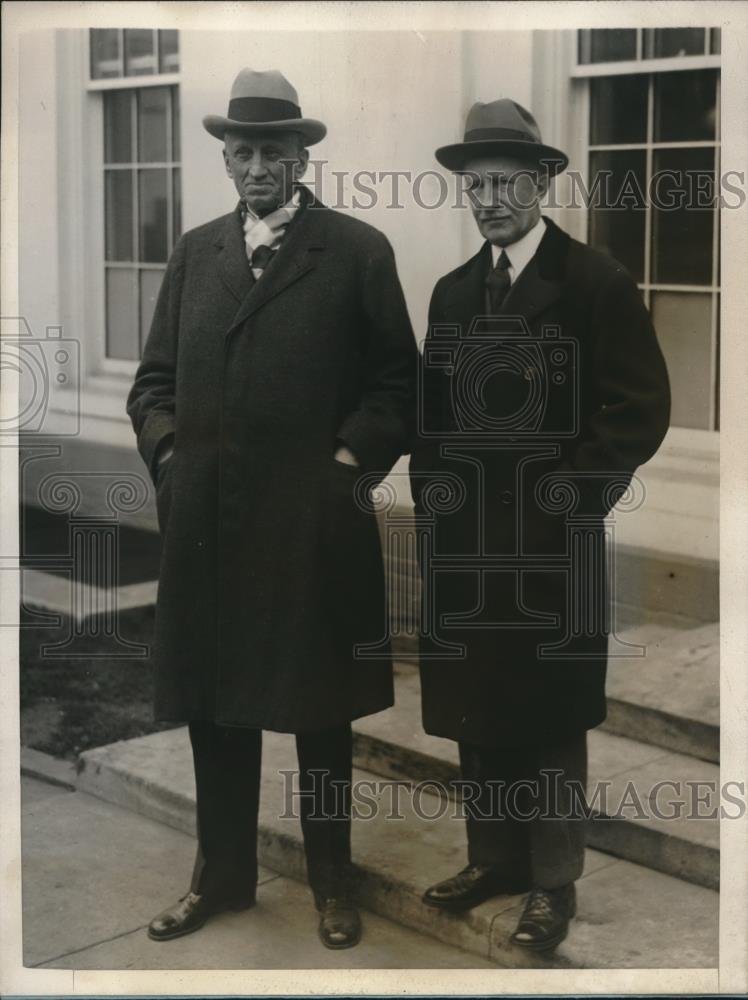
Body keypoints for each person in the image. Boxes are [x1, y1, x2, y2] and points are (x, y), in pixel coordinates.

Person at [127, 68, 417, 950]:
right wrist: (171, 459)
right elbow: (153, 385)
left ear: (302, 158)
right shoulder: (196, 253)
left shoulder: (357, 252)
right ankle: (221, 877)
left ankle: (332, 882)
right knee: (217, 707)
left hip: (309, 527)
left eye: (274, 152)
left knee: (318, 710)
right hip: (209, 527)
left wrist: (344, 466)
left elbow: (398, 385)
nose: (258, 168)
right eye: (243, 152)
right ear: (225, 159)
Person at [409, 99, 670, 951]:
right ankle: (494, 860)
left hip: (552, 547)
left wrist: (569, 498)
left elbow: (638, 410)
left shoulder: (594, 282)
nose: (489, 200)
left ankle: (553, 885)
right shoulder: (453, 292)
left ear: (542, 182)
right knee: (476, 705)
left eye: (505, 182)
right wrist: (437, 505)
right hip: (468, 547)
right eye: (475, 185)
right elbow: (432, 420)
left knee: (550, 714)